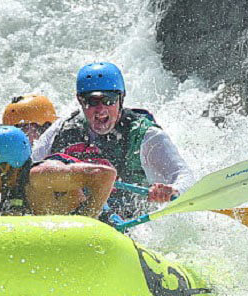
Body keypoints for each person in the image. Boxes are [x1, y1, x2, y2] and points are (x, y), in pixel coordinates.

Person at [31, 62, 194, 219]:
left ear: (121, 98)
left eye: (109, 100)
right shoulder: (63, 128)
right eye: (92, 101)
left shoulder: (146, 135)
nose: (101, 109)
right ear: (80, 100)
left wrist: (173, 190)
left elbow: (183, 175)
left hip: (125, 222)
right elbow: (31, 166)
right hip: (75, 213)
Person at [0, 126, 116, 217]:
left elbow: (104, 175)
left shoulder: (41, 176)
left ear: (6, 166)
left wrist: (84, 221)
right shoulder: (11, 187)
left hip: (108, 239)